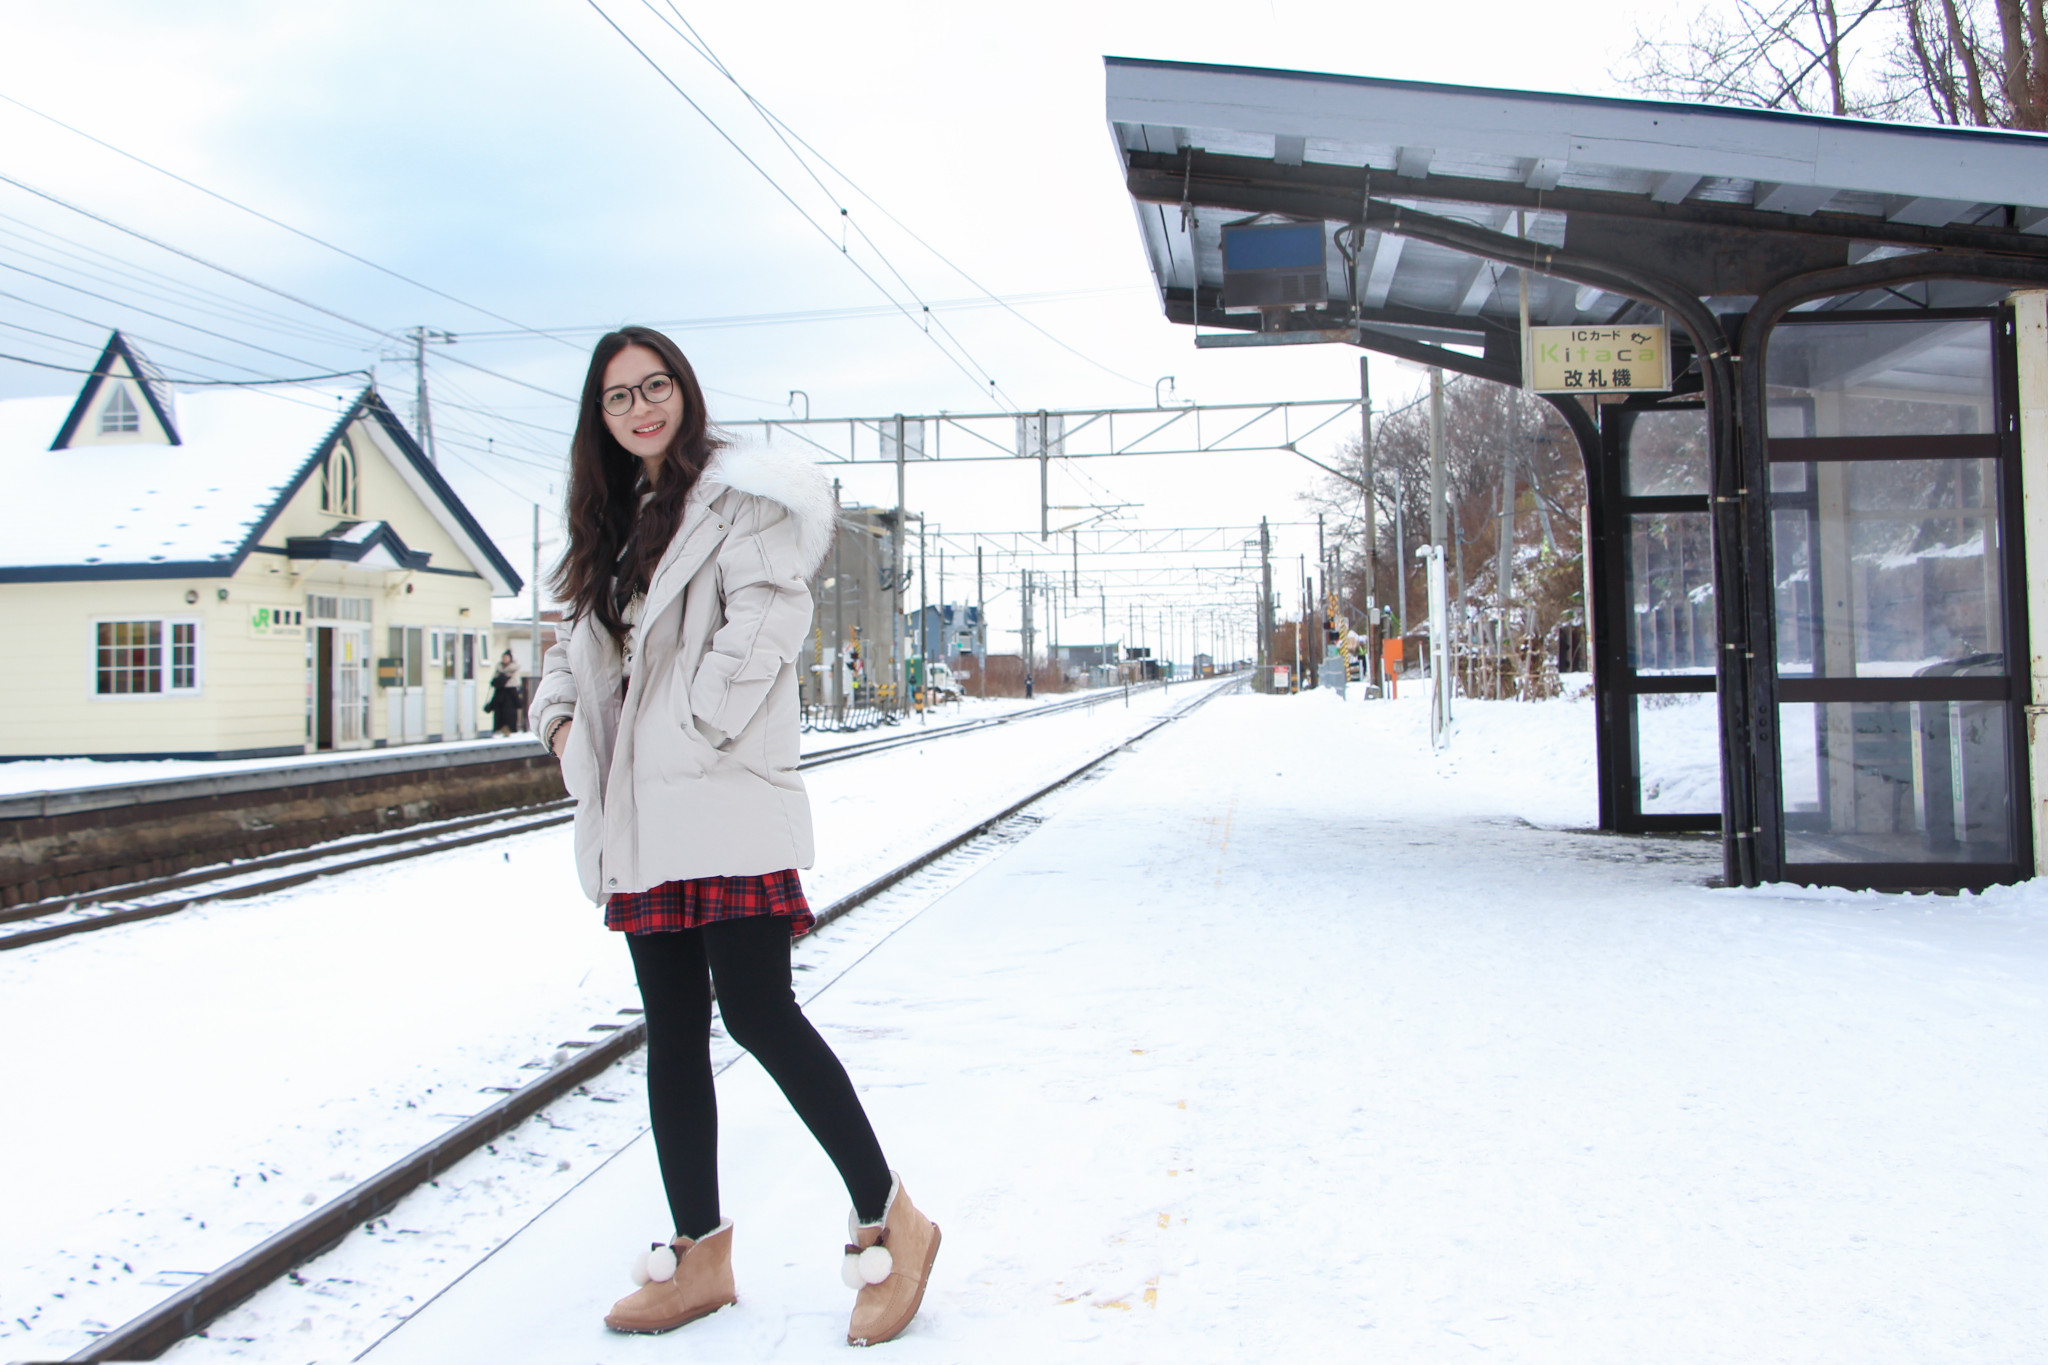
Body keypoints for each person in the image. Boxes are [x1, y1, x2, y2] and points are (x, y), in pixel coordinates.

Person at [528, 327, 937, 1348]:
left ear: (684, 390)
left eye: (654, 386)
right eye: (618, 397)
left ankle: (895, 1218)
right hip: (634, 803)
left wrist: (694, 725)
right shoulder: (602, 525)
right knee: (669, 1029)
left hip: (716, 790)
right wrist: (564, 728)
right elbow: (565, 651)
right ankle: (697, 1255)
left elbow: (763, 625)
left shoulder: (743, 500)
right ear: (601, 417)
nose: (640, 408)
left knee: (757, 1009)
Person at [486, 651, 524, 735]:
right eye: (504, 658)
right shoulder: (499, 668)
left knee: (509, 717)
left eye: (507, 658)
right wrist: (503, 679)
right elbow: (494, 682)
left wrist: (502, 680)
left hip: (510, 696)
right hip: (499, 697)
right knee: (499, 717)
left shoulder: (514, 668)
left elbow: (513, 682)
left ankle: (508, 731)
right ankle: (499, 731)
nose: (505, 659)